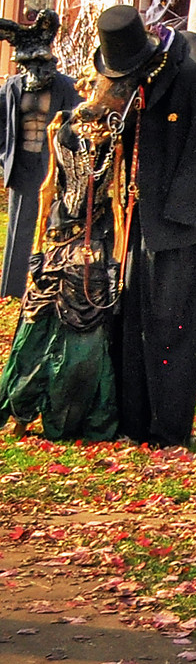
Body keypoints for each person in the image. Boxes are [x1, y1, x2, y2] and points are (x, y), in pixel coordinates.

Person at [97, 5, 196, 448]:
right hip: (137, 214)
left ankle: (169, 428)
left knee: (173, 326)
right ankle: (133, 419)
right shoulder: (139, 75)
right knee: (131, 318)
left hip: (181, 222)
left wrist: (179, 218)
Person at [0, 71, 126, 441]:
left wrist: (116, 262)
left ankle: (69, 414)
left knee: (84, 334)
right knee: (36, 325)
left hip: (93, 245)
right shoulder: (64, 132)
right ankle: (22, 410)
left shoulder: (115, 141)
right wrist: (37, 251)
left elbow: (118, 202)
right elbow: (46, 192)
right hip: (59, 241)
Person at [0, 10, 78, 299]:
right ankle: (13, 288)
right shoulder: (11, 88)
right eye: (29, 64)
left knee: (53, 224)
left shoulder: (67, 87)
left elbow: (80, 124)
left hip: (53, 167)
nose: (36, 71)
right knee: (19, 226)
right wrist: (3, 156)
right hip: (22, 163)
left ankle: (47, 283)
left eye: (41, 63)